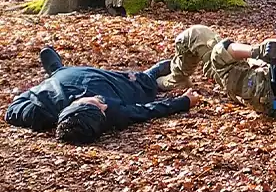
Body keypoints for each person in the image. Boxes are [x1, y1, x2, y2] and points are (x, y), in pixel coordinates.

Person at [5, 47, 198, 143]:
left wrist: (44, 115)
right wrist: (184, 101)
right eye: (102, 110)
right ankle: (152, 73)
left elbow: (12, 109)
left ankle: (56, 69)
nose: (103, 106)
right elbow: (148, 111)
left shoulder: (45, 108)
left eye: (97, 106)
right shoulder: (111, 110)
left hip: (64, 77)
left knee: (59, 72)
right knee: (142, 84)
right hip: (115, 84)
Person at [156, 15, 276, 120]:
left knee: (194, 34)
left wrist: (257, 50)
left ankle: (176, 79)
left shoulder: (255, 88)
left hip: (222, 68)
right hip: (254, 68)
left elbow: (220, 55)